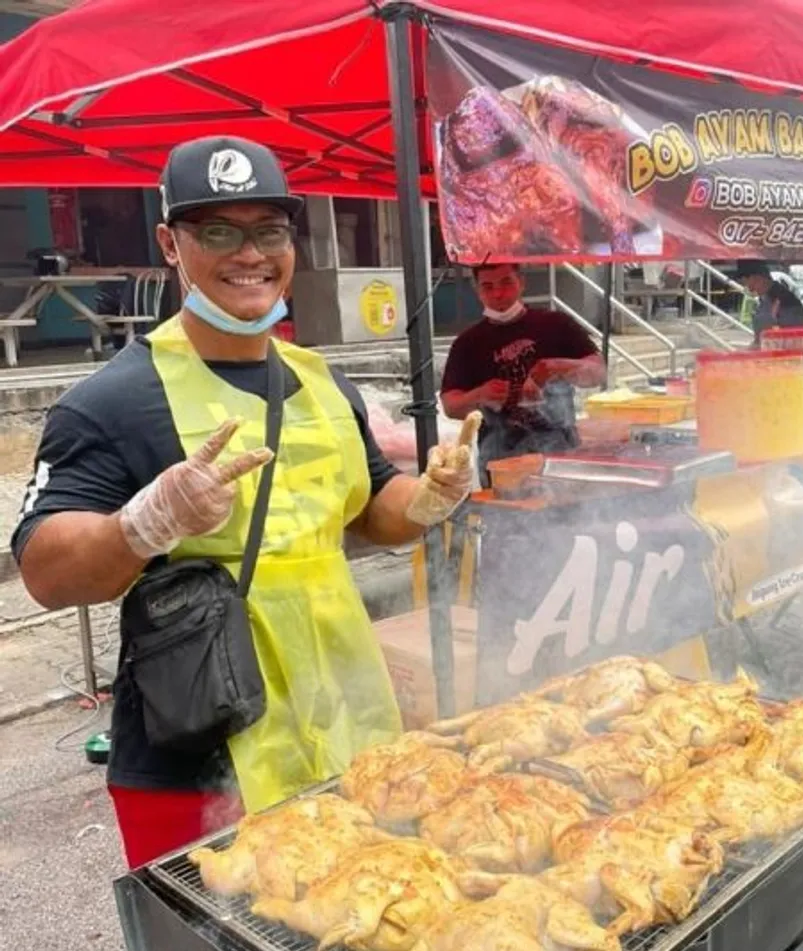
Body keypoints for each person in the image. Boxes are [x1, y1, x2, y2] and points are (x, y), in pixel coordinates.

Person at [11, 136, 473, 903]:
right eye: (216, 231)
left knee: (348, 925)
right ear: (170, 243)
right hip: (198, 745)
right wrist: (146, 521)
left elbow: (373, 512)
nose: (248, 253)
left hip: (343, 723)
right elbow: (44, 571)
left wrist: (430, 498)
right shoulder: (111, 400)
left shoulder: (327, 385)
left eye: (267, 229)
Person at [440, 262, 605, 482]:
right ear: (478, 291)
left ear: (521, 283)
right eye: (488, 287)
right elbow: (451, 406)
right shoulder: (466, 343)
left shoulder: (556, 324)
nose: (498, 294)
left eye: (506, 282)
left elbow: (598, 372)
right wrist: (479, 395)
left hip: (560, 451)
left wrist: (559, 367)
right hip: (500, 459)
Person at [737, 261, 803, 347]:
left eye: (748, 284)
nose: (750, 289)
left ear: (758, 278)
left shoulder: (786, 301)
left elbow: (792, 341)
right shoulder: (764, 299)